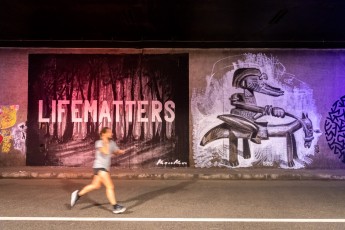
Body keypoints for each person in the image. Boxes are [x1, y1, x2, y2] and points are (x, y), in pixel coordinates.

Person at [70, 127, 126, 214]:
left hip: (104, 168)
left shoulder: (112, 143)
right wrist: (105, 142)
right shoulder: (99, 142)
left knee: (95, 185)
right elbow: (105, 152)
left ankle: (77, 195)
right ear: (104, 134)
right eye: (109, 132)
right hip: (99, 167)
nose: (112, 134)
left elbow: (115, 151)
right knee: (110, 186)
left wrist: (120, 151)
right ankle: (115, 207)